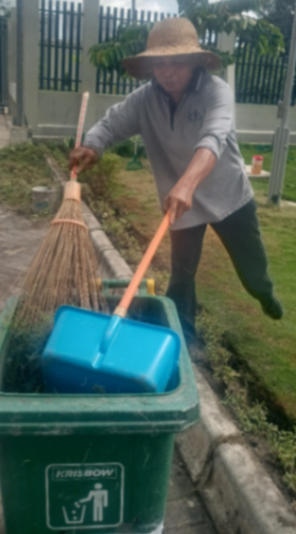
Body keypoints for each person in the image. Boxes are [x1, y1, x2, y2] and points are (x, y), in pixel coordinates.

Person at [69, 17, 283, 341]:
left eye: (177, 62)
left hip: (228, 195)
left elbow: (213, 138)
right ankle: (183, 340)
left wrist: (186, 183)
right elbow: (111, 125)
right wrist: (92, 146)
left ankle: (264, 294)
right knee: (182, 275)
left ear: (195, 61)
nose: (167, 72)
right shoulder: (143, 99)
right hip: (180, 205)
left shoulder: (216, 92)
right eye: (160, 64)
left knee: (252, 266)